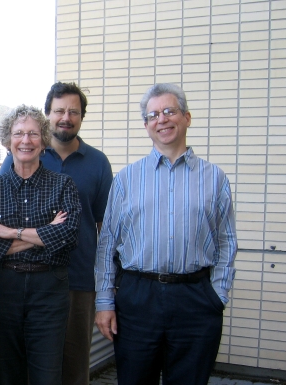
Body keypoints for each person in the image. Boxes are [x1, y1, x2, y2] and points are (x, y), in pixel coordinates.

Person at [95, 83, 237, 385]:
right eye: (153, 115)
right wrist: (105, 302)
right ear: (146, 125)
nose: (162, 119)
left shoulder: (214, 178)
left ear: (187, 117)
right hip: (137, 298)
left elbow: (226, 241)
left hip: (196, 298)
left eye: (169, 111)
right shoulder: (127, 179)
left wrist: (218, 295)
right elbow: (107, 243)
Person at [0, 82, 113, 385]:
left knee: (74, 368)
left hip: (78, 281)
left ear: (81, 117)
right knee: (27, 365)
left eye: (73, 112)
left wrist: (106, 287)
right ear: (47, 114)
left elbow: (105, 230)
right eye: (59, 110)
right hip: (28, 278)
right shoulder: (22, 153)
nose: (66, 117)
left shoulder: (98, 163)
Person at [0, 105, 81, 385]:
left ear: (44, 141)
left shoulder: (62, 184)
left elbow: (68, 235)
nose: (26, 140)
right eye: (18, 133)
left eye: (33, 133)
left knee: (47, 376)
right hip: (2, 287)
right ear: (7, 141)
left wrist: (10, 232)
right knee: (8, 375)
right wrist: (46, 233)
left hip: (49, 289)